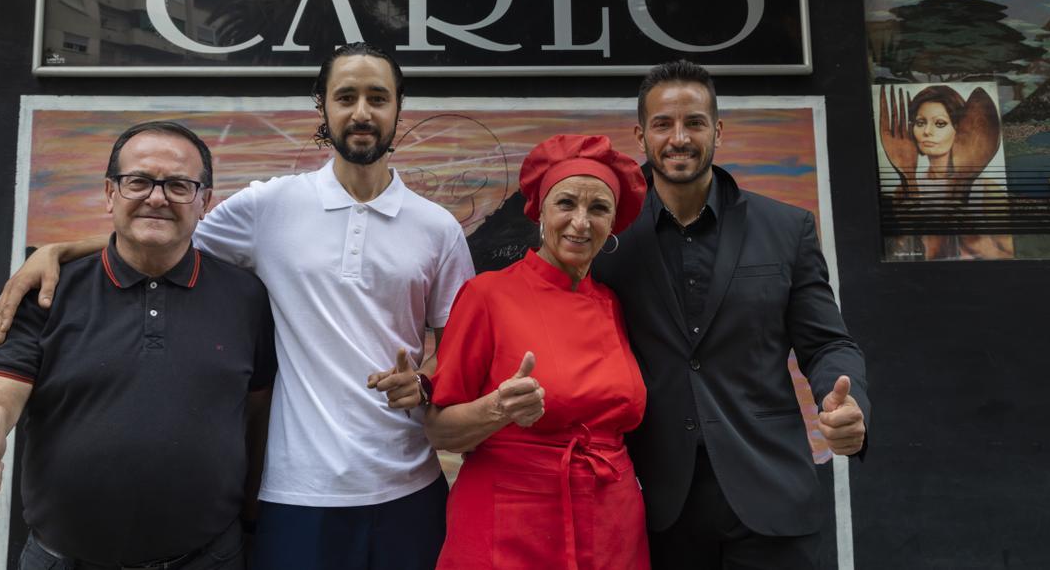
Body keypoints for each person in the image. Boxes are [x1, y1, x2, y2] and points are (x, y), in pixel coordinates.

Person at [0, 43, 477, 570]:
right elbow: (162, 230)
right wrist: (60, 251)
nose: (362, 112)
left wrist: (425, 382)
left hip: (408, 483)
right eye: (346, 96)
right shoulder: (269, 206)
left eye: (378, 97)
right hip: (295, 490)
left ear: (399, 106)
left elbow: (459, 358)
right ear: (323, 107)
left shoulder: (437, 229)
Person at [0, 121, 276, 568]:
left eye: (178, 185)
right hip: (62, 559)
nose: (156, 197)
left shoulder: (246, 297)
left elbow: (257, 416)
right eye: (138, 182)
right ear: (110, 193)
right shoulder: (46, 290)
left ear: (204, 201)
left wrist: (253, 516)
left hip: (209, 557)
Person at [591, 61, 870, 569]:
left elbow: (828, 345)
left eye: (694, 122)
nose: (680, 138)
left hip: (771, 498)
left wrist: (848, 405)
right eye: (663, 124)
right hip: (655, 506)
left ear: (717, 130)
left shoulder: (787, 229)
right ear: (640, 135)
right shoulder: (608, 243)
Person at [425, 134, 650, 570]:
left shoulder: (611, 303)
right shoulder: (487, 295)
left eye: (598, 208)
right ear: (541, 211)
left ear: (614, 224)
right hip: (511, 525)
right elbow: (439, 432)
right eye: (566, 203)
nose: (580, 223)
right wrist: (498, 409)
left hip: (612, 524)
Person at [879, 84, 1013, 260]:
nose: (927, 131)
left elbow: (1010, 257)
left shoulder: (985, 191)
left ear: (960, 129)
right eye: (920, 123)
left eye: (940, 123)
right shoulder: (905, 191)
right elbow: (897, 257)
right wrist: (904, 235)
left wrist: (978, 243)